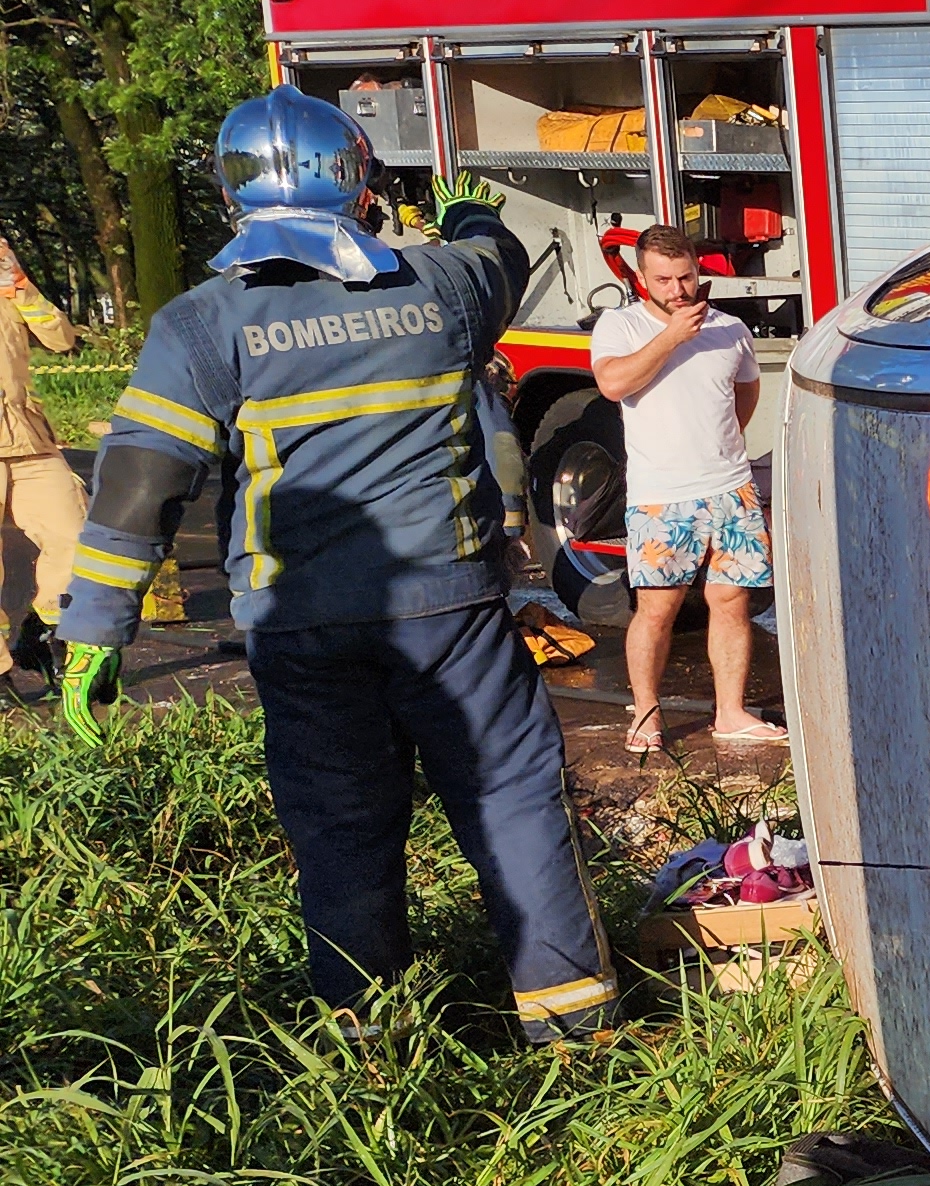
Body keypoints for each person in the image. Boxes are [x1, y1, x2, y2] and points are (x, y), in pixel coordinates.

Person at [57, 87, 618, 1043]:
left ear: (234, 193)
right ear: (359, 181)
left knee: (340, 827)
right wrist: (468, 210)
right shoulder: (443, 284)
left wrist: (94, 629)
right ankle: (574, 1031)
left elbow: (138, 486)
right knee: (514, 807)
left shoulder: (201, 325)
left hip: (301, 622)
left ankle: (369, 1043)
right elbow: (503, 257)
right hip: (454, 617)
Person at [586, 225, 783, 756]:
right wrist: (672, 335)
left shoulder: (730, 328)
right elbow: (613, 384)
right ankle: (646, 716)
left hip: (730, 489)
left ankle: (732, 713)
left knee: (732, 602)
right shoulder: (620, 325)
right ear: (642, 278)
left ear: (699, 270)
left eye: (686, 277)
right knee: (656, 608)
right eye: (664, 280)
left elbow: (745, 396)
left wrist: (721, 450)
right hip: (661, 495)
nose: (677, 289)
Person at [0, 233, 84, 686]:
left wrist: (18, 284)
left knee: (74, 532)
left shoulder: (5, 280)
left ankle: (44, 631)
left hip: (26, 436)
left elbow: (59, 337)